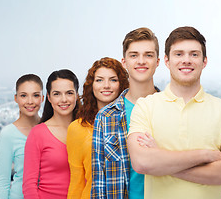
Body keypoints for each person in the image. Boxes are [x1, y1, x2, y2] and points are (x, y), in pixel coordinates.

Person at [127, 26, 221, 199]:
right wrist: (205, 155)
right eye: (179, 54)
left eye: (194, 54)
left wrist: (162, 163)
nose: (186, 60)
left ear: (204, 61)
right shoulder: (145, 107)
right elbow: (142, 163)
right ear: (167, 61)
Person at [91, 27, 161, 199]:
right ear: (124, 62)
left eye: (148, 55)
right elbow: (99, 182)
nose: (141, 61)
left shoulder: (173, 110)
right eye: (134, 55)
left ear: (158, 61)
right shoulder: (106, 117)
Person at [66, 57, 129, 199]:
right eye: (99, 80)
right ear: (91, 85)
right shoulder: (76, 128)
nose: (106, 85)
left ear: (121, 84)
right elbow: (77, 182)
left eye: (113, 80)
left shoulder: (132, 120)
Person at [23, 69, 80, 199]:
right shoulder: (38, 134)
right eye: (57, 94)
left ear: (76, 95)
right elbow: (29, 185)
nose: (64, 99)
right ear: (48, 97)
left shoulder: (87, 129)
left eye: (69, 93)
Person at [0, 74, 44, 199]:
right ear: (16, 98)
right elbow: (3, 182)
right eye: (23, 95)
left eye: (35, 95)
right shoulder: (7, 134)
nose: (30, 101)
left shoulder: (49, 128)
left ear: (43, 98)